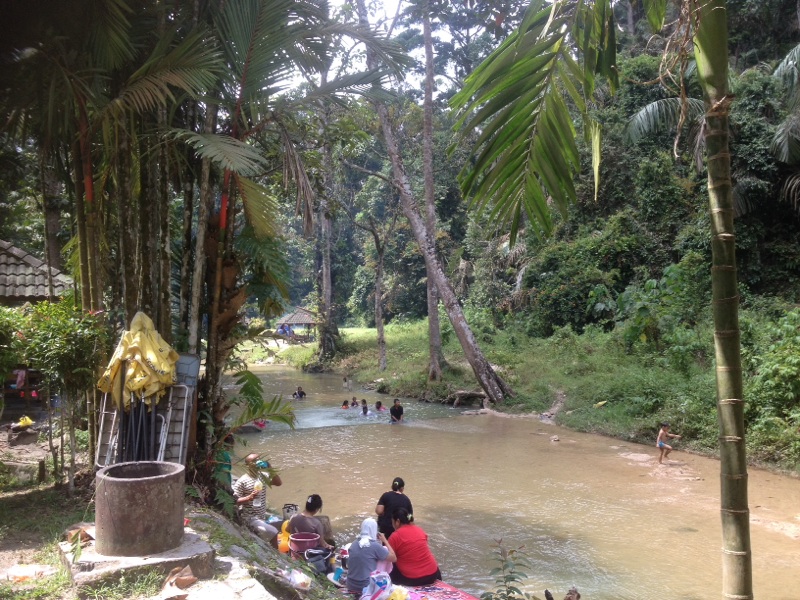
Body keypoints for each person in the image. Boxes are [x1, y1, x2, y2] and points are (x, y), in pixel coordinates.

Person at [233, 453, 283, 547]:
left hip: (260, 516)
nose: (259, 462)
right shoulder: (242, 481)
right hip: (249, 518)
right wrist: (249, 497)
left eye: (260, 459)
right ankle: (276, 555)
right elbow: (234, 500)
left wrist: (269, 467)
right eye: (255, 461)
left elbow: (278, 483)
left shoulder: (262, 476)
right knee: (274, 532)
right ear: (248, 465)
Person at [388, 508, 441, 586]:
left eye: (392, 522)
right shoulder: (420, 530)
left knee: (390, 563)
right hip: (432, 574)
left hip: (412, 579)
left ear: (397, 521)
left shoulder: (395, 536)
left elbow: (388, 556)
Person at [346, 518, 397, 594]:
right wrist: (385, 541)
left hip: (350, 584)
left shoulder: (354, 544)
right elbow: (394, 558)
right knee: (385, 550)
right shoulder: (375, 546)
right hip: (365, 586)